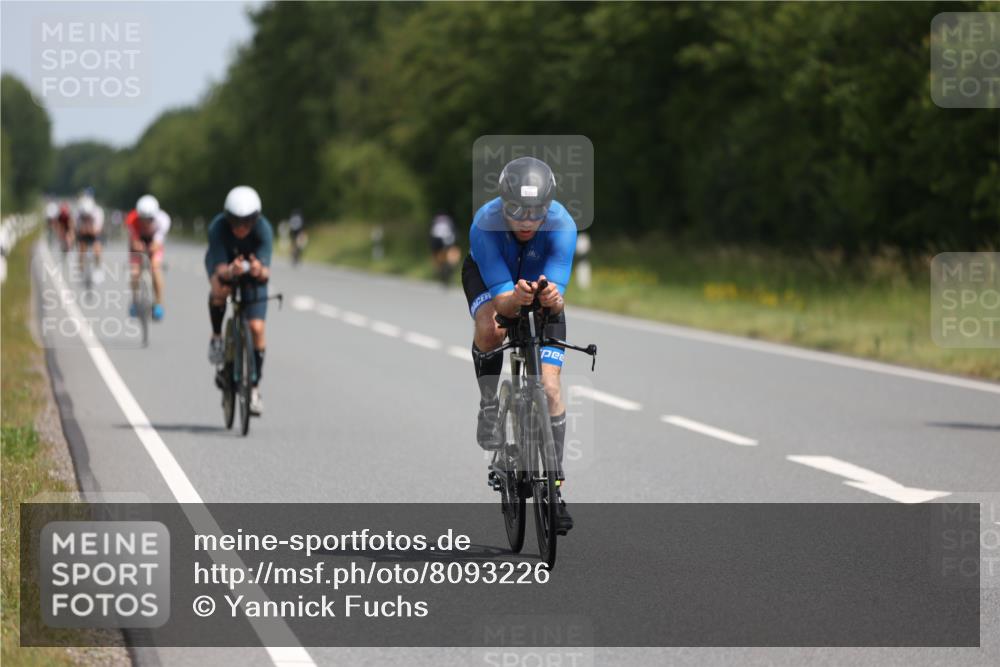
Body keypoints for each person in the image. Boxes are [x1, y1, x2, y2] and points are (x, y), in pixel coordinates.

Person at [462, 156, 577, 532]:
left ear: (548, 207)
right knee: (492, 328)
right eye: (516, 210)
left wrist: (552, 300)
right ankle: (490, 405)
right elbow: (503, 303)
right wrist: (516, 298)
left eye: (535, 211)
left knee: (551, 388)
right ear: (502, 203)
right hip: (493, 281)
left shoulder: (562, 224)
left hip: (537, 286)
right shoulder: (485, 224)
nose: (527, 220)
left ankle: (554, 489)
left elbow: (556, 294)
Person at [204, 186, 273, 415]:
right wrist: (230, 271)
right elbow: (220, 269)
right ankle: (217, 337)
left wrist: (257, 268)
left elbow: (266, 273)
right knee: (219, 290)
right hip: (225, 269)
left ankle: (254, 387)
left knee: (256, 327)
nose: (241, 228)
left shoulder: (264, 230)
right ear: (227, 218)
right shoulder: (218, 228)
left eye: (247, 222)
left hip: (253, 278)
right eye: (235, 222)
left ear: (255, 220)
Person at [125, 194, 171, 321]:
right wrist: (138, 246)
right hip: (138, 239)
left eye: (149, 219)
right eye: (143, 219)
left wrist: (151, 250)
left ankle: (158, 304)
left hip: (153, 241)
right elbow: (134, 241)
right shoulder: (131, 219)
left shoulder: (164, 220)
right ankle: (134, 301)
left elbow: (157, 243)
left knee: (155, 268)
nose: (145, 222)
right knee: (135, 272)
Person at [75, 196, 105, 283]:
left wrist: (90, 230)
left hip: (94, 233)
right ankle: (81, 269)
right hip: (83, 233)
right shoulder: (78, 214)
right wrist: (83, 230)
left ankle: (98, 267)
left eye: (88, 216)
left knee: (97, 248)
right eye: (85, 216)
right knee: (81, 249)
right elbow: (77, 229)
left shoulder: (98, 212)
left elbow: (98, 230)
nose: (87, 218)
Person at [429, 212, 460, 286]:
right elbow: (455, 232)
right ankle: (451, 268)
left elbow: (431, 234)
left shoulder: (435, 220)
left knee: (436, 254)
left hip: (436, 240)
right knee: (452, 253)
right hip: (448, 240)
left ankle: (439, 268)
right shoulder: (449, 220)